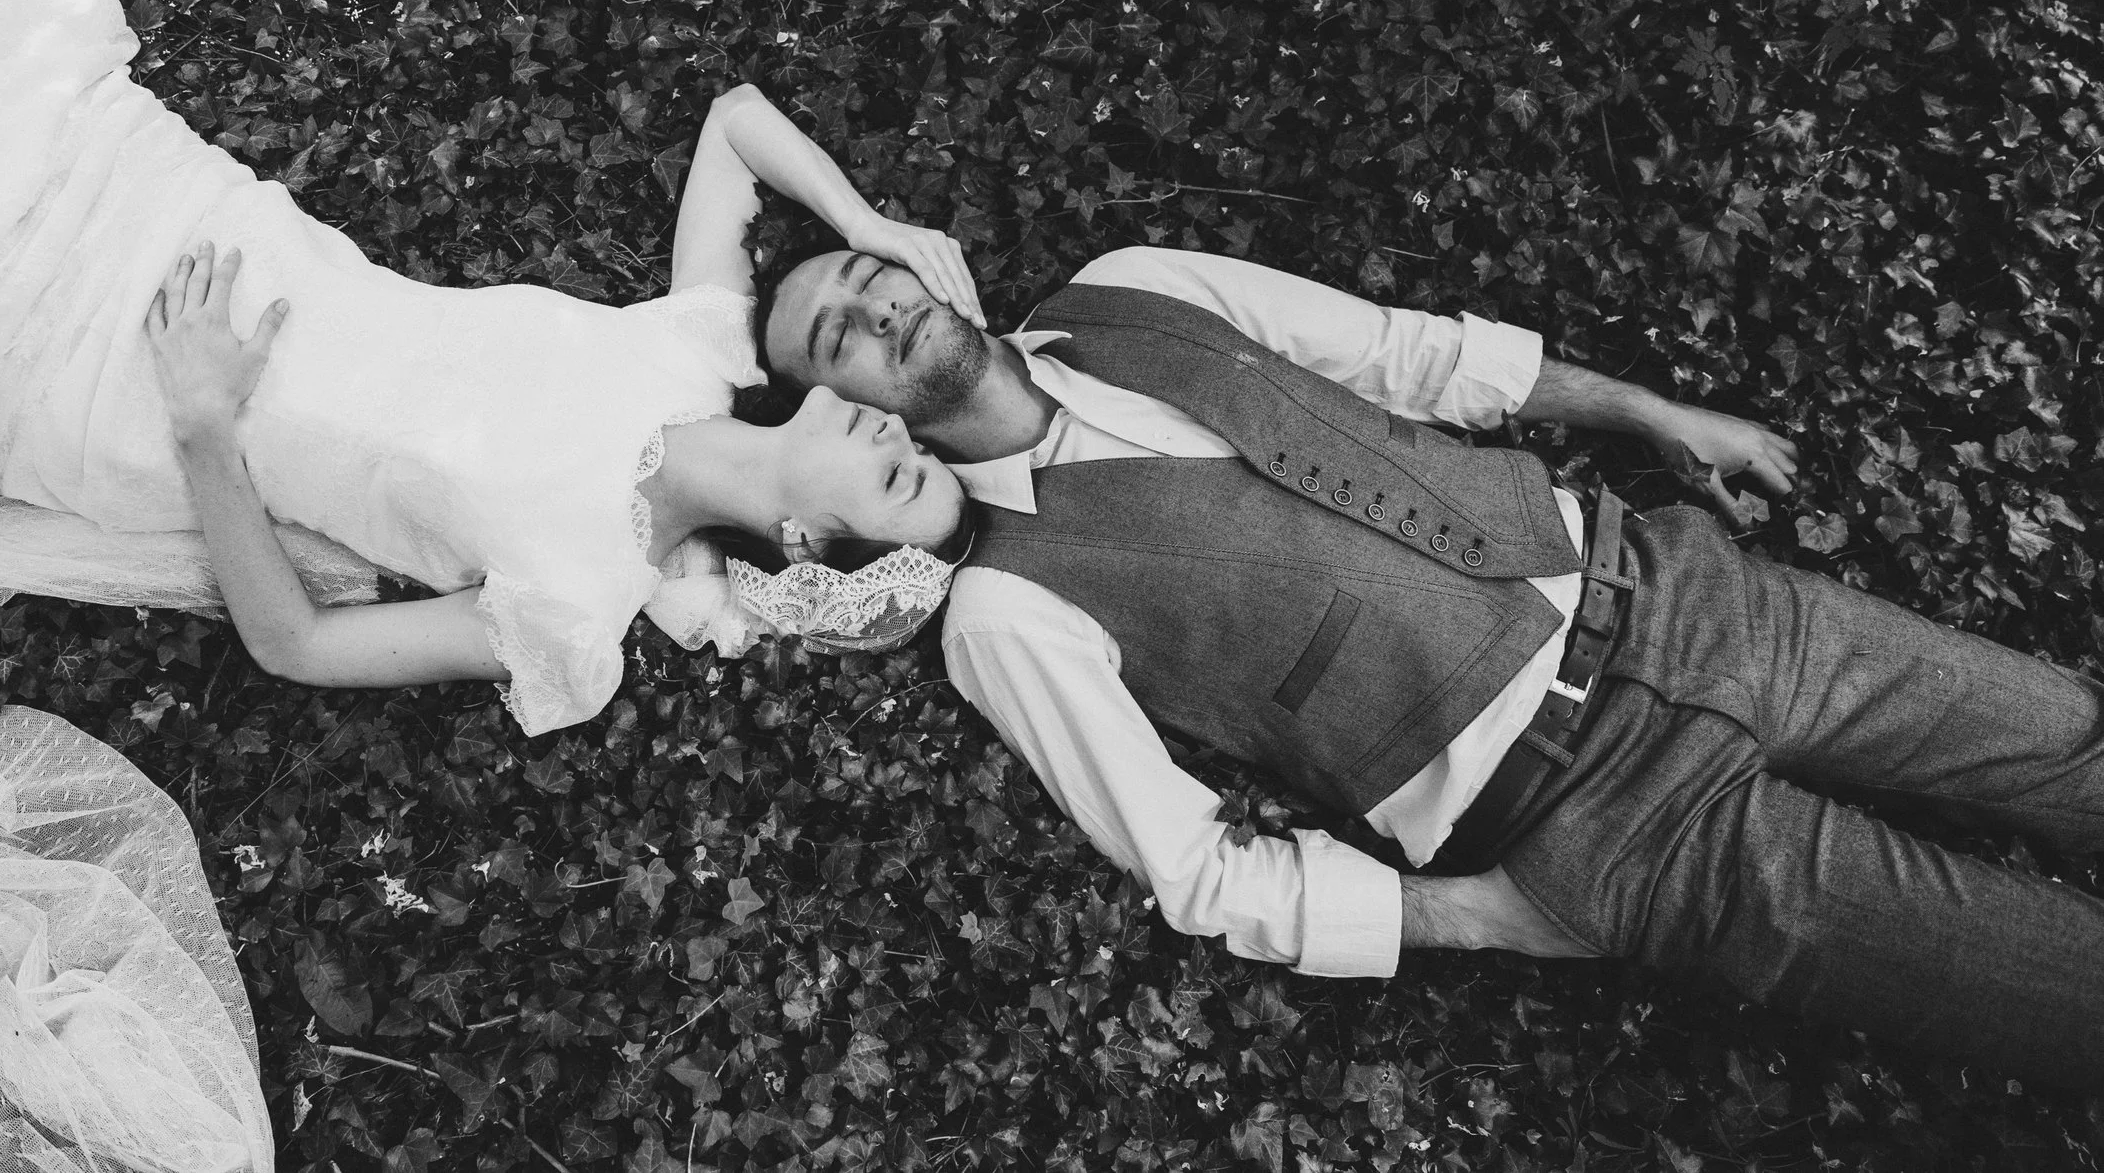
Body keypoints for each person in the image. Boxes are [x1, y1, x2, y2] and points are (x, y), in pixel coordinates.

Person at [0, 0, 969, 1172]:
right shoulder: (691, 343)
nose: (896, 426)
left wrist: (202, 420)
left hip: (95, 366)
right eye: (911, 432)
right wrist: (868, 221)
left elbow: (300, 642)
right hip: (168, 199)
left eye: (896, 479)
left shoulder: (578, 601)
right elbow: (735, 120)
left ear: (806, 555)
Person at [757, 238, 2104, 1091]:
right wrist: (1481, 916)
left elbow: (1408, 353)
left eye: (865, 276)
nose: (874, 308)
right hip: (1615, 828)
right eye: (836, 333)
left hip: (1690, 596)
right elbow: (1198, 872)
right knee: (2058, 986)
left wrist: (1646, 408)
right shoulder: (1007, 610)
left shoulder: (1129, 285)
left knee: (2073, 738)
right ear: (846, 404)